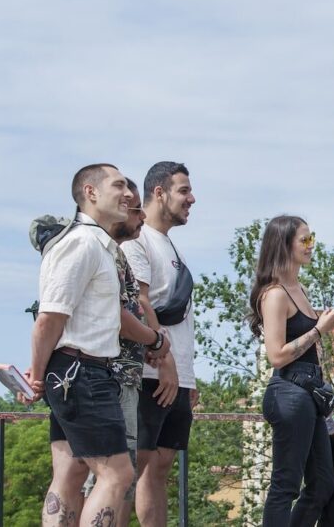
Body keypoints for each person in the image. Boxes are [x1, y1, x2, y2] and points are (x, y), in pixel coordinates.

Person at [24, 163, 136, 526]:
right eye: (118, 185)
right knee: (117, 474)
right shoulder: (83, 243)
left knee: (71, 472)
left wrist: (42, 374)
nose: (129, 194)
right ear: (90, 192)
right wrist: (36, 377)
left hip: (75, 371)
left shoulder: (96, 244)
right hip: (82, 373)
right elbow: (49, 318)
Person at [81, 178, 171, 525]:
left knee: (118, 477)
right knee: (109, 476)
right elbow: (116, 313)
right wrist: (156, 341)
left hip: (121, 376)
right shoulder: (95, 249)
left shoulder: (114, 253)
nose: (141, 217)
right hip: (106, 375)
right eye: (134, 210)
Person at [249, 215, 334, 525]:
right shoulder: (275, 294)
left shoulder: (298, 288)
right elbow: (276, 355)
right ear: (284, 245)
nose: (311, 245)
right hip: (288, 393)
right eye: (304, 240)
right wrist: (319, 330)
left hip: (308, 395)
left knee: (323, 483)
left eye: (311, 238)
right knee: (285, 485)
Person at [123, 161, 197, 527]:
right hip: (151, 373)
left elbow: (183, 319)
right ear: (159, 192)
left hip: (176, 376)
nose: (192, 199)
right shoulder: (139, 241)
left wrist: (188, 377)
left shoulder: (173, 247)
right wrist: (164, 362)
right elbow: (140, 303)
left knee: (160, 468)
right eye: (183, 191)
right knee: (129, 467)